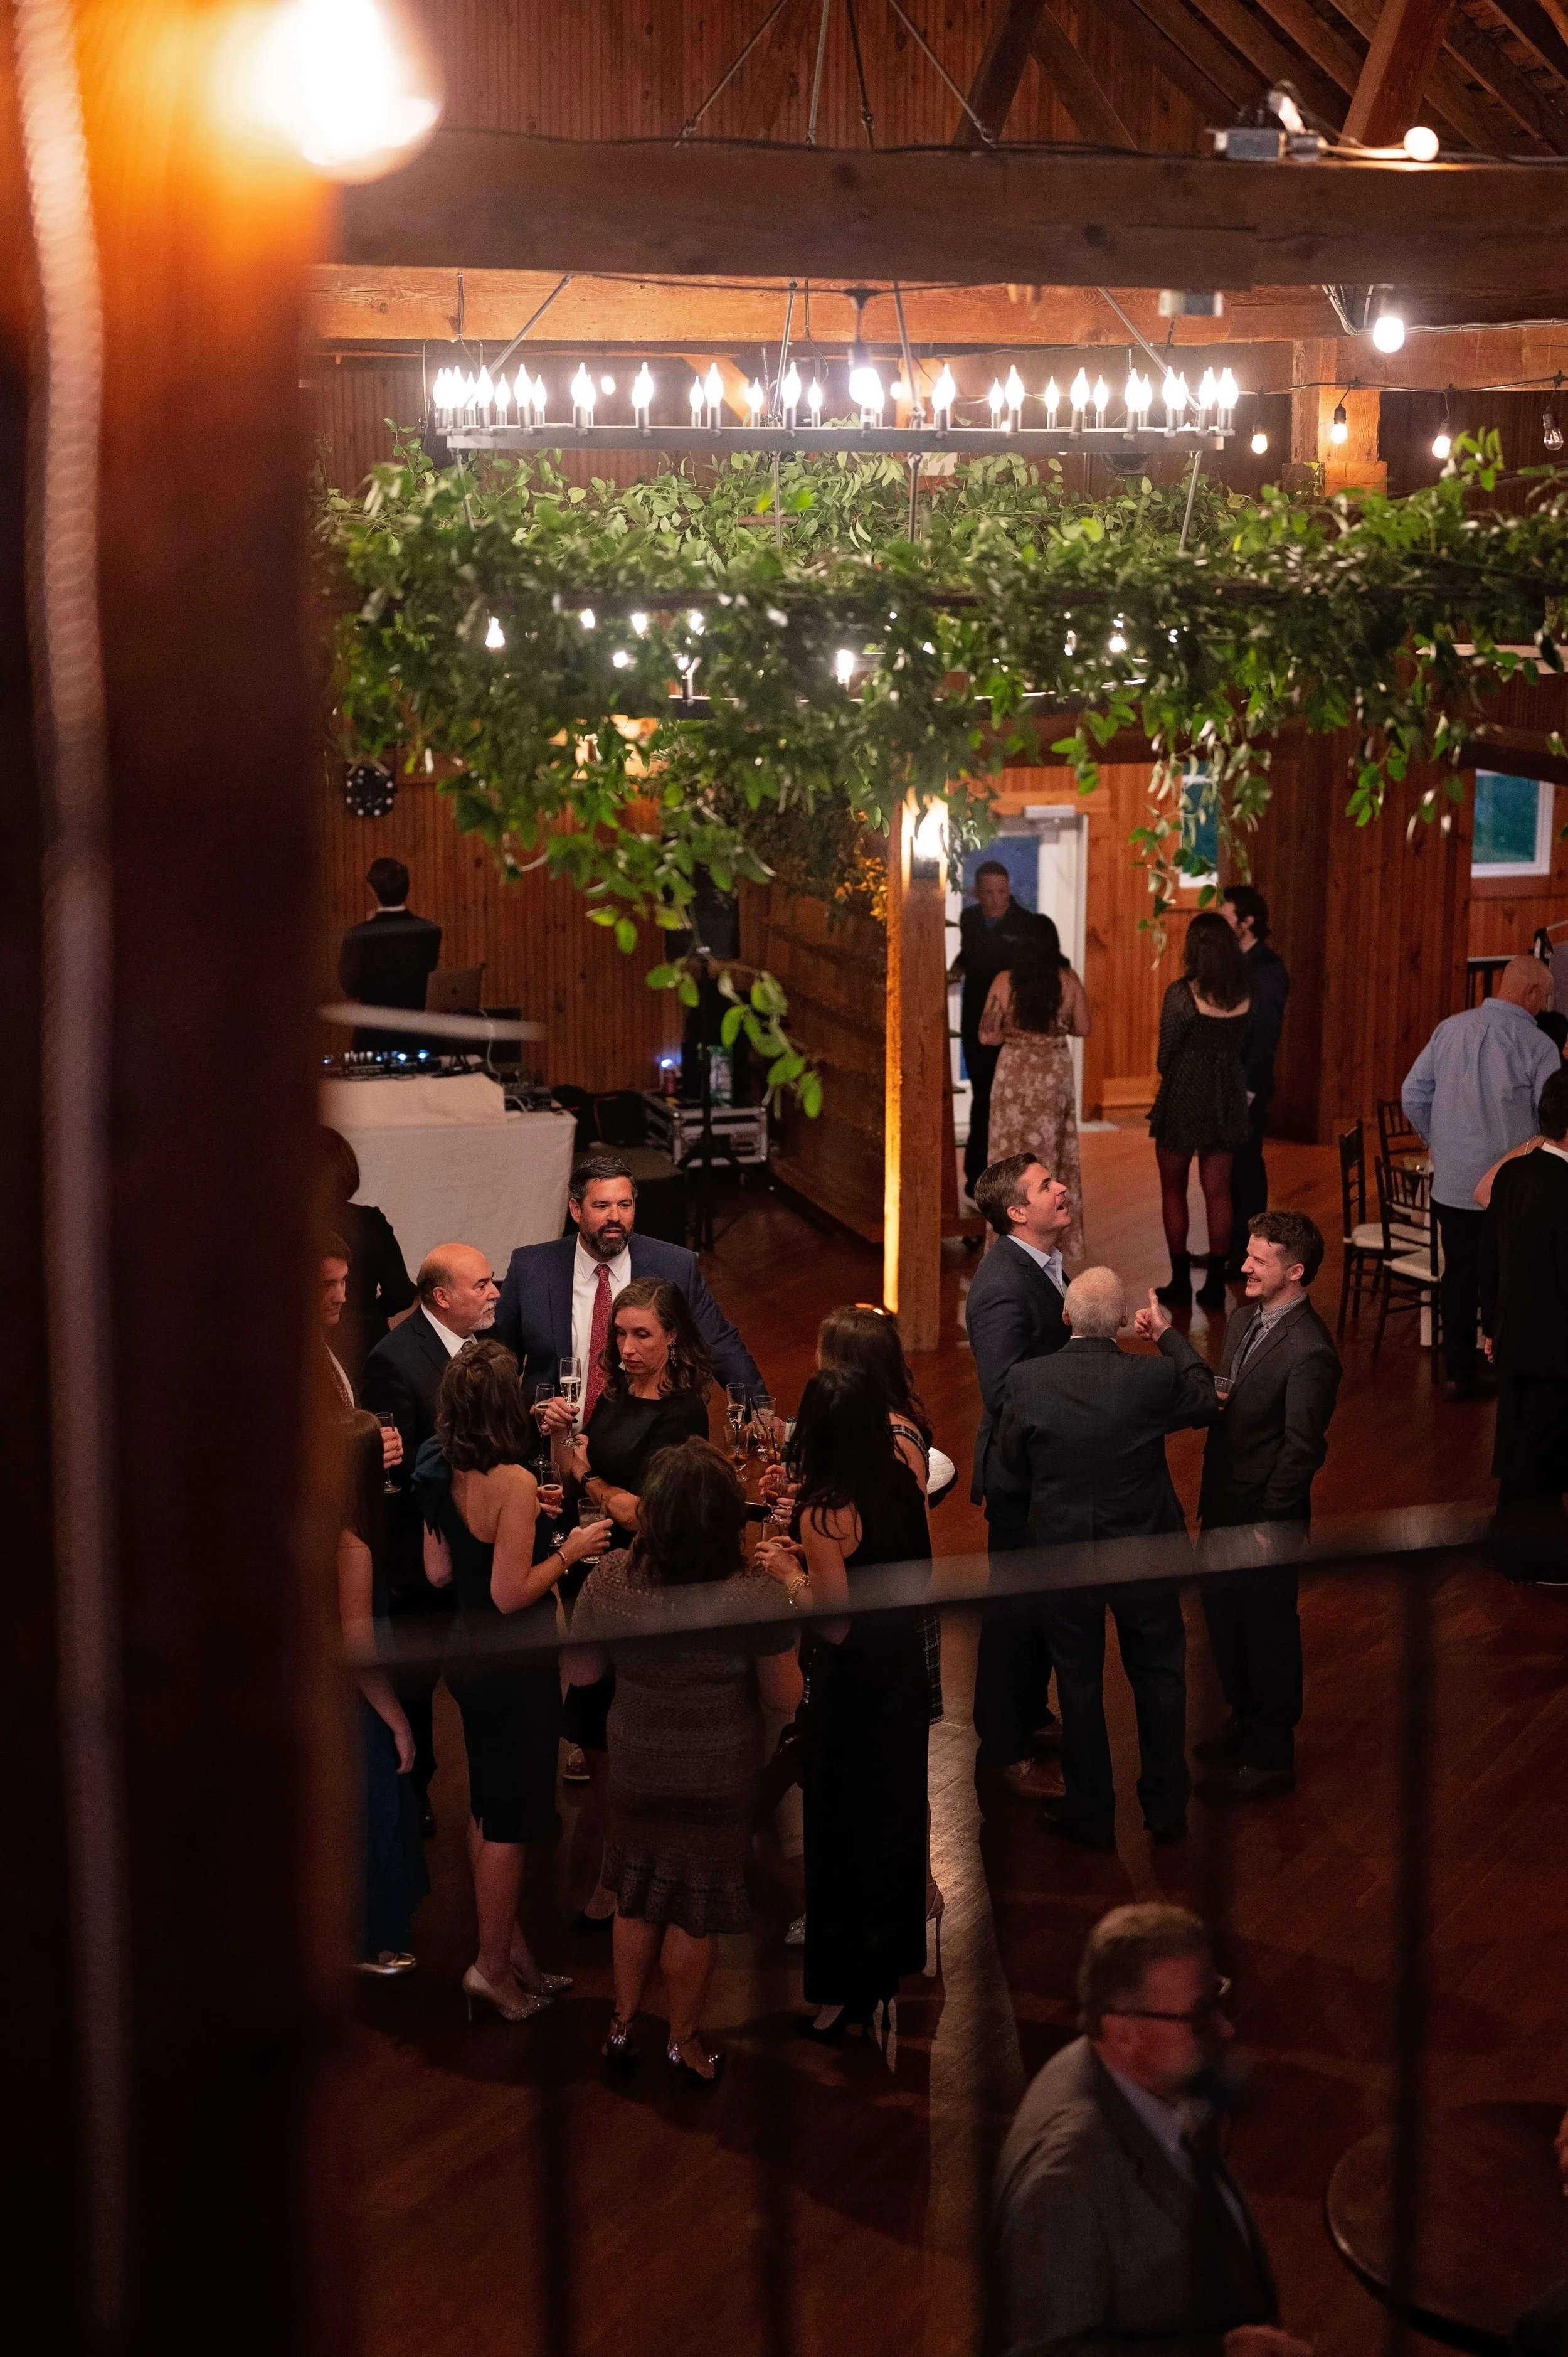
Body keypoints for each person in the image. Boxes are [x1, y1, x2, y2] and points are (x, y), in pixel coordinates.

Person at [566, 1440, 803, 2084]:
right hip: (715, 1772)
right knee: (694, 1909)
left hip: (635, 1761)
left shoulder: (610, 1577)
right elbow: (785, 1697)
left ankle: (621, 2026)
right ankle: (683, 2041)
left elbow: (581, 1673)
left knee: (634, 1895)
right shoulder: (751, 1594)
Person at [993, 1903, 1303, 2357]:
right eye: (1201, 2014)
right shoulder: (1066, 2180)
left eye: (1218, 1998)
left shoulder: (1133, 2074)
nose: (1226, 2028)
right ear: (1122, 2032)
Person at [414, 1339, 610, 2023]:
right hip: (511, 1664)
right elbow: (509, 1593)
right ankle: (492, 1968)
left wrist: (520, 1531)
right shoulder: (515, 1482)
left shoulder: (442, 1465)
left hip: (466, 1657)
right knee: (512, 1821)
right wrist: (570, 1551)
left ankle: (511, 1951)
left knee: (485, 1808)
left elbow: (440, 1571)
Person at [998, 1267, 1217, 1848]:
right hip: (1145, 1546)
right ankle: (1166, 1807)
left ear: (1066, 1316)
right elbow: (1204, 1395)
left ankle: (1091, 1810)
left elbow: (1012, 1462)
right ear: (1122, 1319)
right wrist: (1167, 1335)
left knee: (1078, 1682)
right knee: (1160, 1673)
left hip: (1063, 1549)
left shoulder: (1027, 1380)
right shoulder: (1151, 1377)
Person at [762, 1366, 930, 2040]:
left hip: (853, 1687)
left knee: (839, 1834)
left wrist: (790, 1572)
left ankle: (843, 1994)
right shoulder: (900, 1483)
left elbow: (834, 1623)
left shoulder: (824, 1510)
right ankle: (887, 1968)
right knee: (892, 1820)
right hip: (903, 1670)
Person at [561, 1278, 714, 1924]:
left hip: (645, 1584)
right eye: (620, 1334)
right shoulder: (616, 1393)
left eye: (642, 1334)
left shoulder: (682, 1414)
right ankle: (613, 1865)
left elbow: (648, 1513)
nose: (626, 1348)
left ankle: (630, 1878)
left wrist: (588, 1479)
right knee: (598, 1737)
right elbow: (585, 1460)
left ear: (672, 1336)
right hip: (595, 1575)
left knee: (632, 1740)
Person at [1191, 1211, 1342, 1802]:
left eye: (1259, 1259)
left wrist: (1267, 1523)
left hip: (1262, 1521)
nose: (1245, 1266)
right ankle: (1244, 1723)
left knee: (1267, 1635)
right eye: (1248, 1254)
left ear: (1296, 1271)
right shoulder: (1243, 1318)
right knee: (1227, 1625)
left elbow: (1303, 1449)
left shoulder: (1311, 1352)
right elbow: (1226, 1392)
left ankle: (1272, 1755)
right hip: (1223, 1505)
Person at [360, 1243, 501, 1825]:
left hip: (475, 1546)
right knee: (418, 1683)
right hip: (422, 1555)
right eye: (482, 1285)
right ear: (442, 1297)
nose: (495, 1293)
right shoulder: (394, 1360)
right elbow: (393, 1468)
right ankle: (414, 1796)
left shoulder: (484, 1343)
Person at [965, 1154, 1073, 1802]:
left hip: (1049, 1475)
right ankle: (1003, 1749)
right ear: (1016, 1211)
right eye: (1046, 1185)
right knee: (1013, 1619)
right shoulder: (1003, 1286)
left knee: (1037, 1609)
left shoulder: (1042, 1263)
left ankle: (1029, 1716)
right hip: (1022, 1480)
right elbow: (1005, 1392)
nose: (1061, 1188)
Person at [1402, 952, 1559, 1398]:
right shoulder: (1538, 1046)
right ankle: (1503, 1366)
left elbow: (1413, 1093)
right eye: (1544, 997)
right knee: (1507, 1279)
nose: (1544, 1006)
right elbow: (1552, 1115)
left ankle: (1460, 1371)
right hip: (1509, 1188)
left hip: (1453, 1184)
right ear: (1531, 993)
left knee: (1459, 1276)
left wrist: (1437, 1141)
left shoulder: (1449, 1029)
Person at [494, 1154, 761, 1408]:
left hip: (643, 1432)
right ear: (576, 1210)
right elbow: (500, 1360)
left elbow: (721, 1346)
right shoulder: (531, 1268)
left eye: (624, 1205)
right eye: (602, 1206)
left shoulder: (674, 1267)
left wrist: (760, 1411)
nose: (615, 1217)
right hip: (550, 1431)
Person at [338, 1410, 426, 1975]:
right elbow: (360, 1652)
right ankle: (373, 1944)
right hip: (360, 1707)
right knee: (376, 1816)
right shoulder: (353, 1549)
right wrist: (399, 1722)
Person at [1480, 1067, 1568, 1575]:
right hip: (1558, 1343)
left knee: (1517, 1444)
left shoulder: (1514, 1174)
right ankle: (1535, 1557)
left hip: (1515, 1332)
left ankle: (1506, 1544)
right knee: (1545, 1453)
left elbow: (1492, 1253)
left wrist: (1491, 1324)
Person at [1150, 911, 1252, 1313]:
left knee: (1173, 1189)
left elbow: (1165, 1055)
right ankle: (1213, 1284)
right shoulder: (1244, 995)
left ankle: (1179, 1282)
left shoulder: (1181, 993)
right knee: (1218, 1191)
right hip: (1227, 1098)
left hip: (1184, 1096)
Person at [978, 917, 1093, 1259]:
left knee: (1007, 1158)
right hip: (1053, 1077)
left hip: (1013, 1076)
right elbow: (1083, 1027)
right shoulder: (1068, 980)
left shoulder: (1005, 981)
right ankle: (1051, 1240)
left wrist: (1016, 1035)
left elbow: (987, 1035)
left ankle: (1007, 1240)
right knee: (1052, 1155)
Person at [951, 859, 1047, 1199]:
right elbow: (967, 957)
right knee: (982, 1098)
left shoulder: (1027, 924)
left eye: (1001, 892)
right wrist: (951, 973)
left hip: (1012, 1028)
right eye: (988, 893)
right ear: (977, 893)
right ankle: (977, 1176)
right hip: (975, 1022)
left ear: (1009, 892)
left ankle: (1014, 1178)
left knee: (1010, 1102)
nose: (995, 899)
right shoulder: (970, 919)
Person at [1221, 886, 1291, 1276]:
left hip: (1247, 1085)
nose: (1221, 923)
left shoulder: (1267, 969)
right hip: (1231, 1083)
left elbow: (1264, 1034)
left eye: (1227, 916)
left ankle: (1249, 1253)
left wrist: (1247, 1089)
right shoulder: (1239, 962)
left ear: (1247, 923)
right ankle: (1232, 1246)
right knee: (1232, 1170)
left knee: (1246, 1170)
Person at [315, 1125, 415, 1380]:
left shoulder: (283, 1228)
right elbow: (402, 1293)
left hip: (309, 1345)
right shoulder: (370, 1222)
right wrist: (368, 1312)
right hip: (367, 1344)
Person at [338, 855, 442, 1053]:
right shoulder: (430, 932)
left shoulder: (358, 936)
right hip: (417, 1037)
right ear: (407, 888)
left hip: (372, 1038)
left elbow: (350, 988)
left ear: (373, 890)